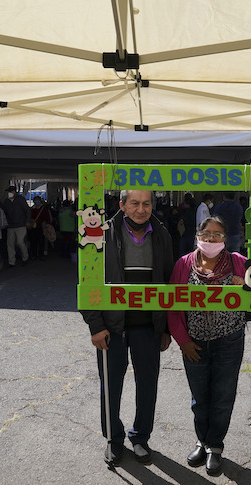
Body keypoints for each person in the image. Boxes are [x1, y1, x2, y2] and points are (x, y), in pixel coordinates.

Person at [80, 190, 174, 466]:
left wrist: (165, 326)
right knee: (111, 386)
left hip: (148, 326)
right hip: (111, 328)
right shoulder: (99, 235)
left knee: (147, 385)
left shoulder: (162, 235)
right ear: (122, 205)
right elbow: (87, 282)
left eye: (146, 204)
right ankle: (114, 439)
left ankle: (141, 437)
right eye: (134, 203)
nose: (141, 209)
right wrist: (95, 326)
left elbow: (169, 281)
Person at [167, 216, 248, 476]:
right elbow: (173, 305)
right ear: (198, 236)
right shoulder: (183, 264)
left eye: (217, 234)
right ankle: (201, 442)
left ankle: (215, 447)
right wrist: (184, 341)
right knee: (199, 399)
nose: (211, 238)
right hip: (195, 343)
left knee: (223, 397)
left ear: (225, 238)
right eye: (206, 233)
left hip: (229, 340)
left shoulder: (239, 263)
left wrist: (248, 285)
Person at [2, 185, 31, 267]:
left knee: (20, 242)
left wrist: (27, 221)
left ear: (14, 192)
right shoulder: (6, 201)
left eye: (10, 192)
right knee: (10, 244)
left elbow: (27, 210)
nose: (9, 193)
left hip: (20, 225)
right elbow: (4, 212)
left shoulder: (20, 199)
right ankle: (11, 261)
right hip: (10, 226)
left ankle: (25, 258)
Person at [28, 195, 53, 261]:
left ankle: (41, 254)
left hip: (42, 227)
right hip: (33, 227)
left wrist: (47, 225)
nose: (36, 202)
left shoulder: (44, 208)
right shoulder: (32, 209)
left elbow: (48, 218)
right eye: (35, 201)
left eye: (37, 201)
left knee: (41, 241)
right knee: (34, 241)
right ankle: (34, 255)